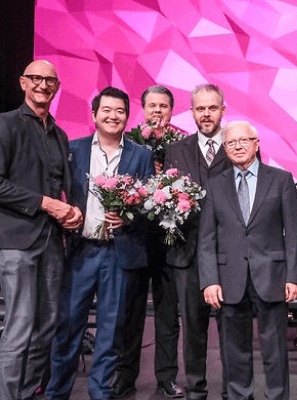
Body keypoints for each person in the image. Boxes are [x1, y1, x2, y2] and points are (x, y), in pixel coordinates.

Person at [47, 86, 155, 400]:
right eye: (106, 110)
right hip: (80, 252)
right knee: (68, 327)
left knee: (110, 331)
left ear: (127, 116)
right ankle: (56, 392)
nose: (113, 116)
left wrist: (129, 219)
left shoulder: (141, 155)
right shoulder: (74, 149)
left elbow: (149, 206)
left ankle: (101, 393)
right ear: (94, 114)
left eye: (120, 111)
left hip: (119, 255)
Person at [198, 120, 297, 400]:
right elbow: (206, 238)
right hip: (229, 277)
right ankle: (239, 396)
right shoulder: (215, 184)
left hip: (272, 275)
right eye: (231, 143)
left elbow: (293, 233)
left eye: (244, 140)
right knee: (235, 349)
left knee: (274, 348)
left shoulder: (281, 180)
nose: (238, 146)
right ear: (225, 149)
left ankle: (277, 396)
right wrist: (209, 280)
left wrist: (294, 276)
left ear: (256, 143)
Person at [0, 60, 83, 400]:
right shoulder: (6, 125)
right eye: (36, 78)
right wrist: (47, 204)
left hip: (51, 242)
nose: (43, 85)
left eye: (50, 80)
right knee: (19, 328)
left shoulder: (60, 135)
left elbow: (63, 188)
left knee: (45, 329)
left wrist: (73, 212)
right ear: (23, 83)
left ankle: (26, 394)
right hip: (17, 241)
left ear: (57, 87)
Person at [112, 85, 183, 399]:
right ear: (142, 109)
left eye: (164, 106)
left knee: (168, 315)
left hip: (170, 240)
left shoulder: (182, 144)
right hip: (134, 238)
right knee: (130, 313)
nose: (158, 110)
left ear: (171, 110)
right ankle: (125, 377)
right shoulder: (128, 144)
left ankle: (166, 378)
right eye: (152, 105)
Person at [162, 83, 233, 400]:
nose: (206, 114)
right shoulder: (176, 150)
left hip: (229, 254)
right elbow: (168, 199)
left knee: (231, 326)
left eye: (212, 108)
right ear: (192, 112)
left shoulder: (237, 144)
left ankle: (234, 387)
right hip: (187, 253)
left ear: (222, 110)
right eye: (200, 108)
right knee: (192, 327)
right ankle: (197, 388)